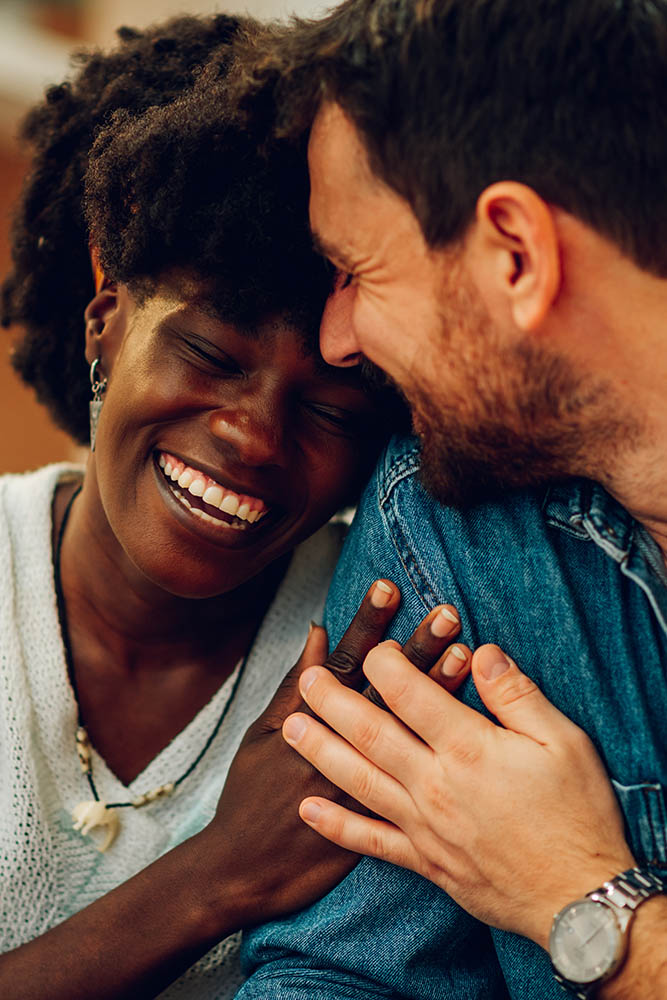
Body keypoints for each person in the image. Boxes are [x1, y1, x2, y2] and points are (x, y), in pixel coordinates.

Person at [0, 14, 464, 999]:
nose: (253, 436)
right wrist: (214, 878)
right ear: (106, 312)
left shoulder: (374, 654)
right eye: (208, 354)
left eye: (333, 409)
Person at [227, 2, 667, 998]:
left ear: (514, 253)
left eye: (352, 271)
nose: (338, 340)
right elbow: (338, 973)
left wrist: (583, 896)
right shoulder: (439, 514)